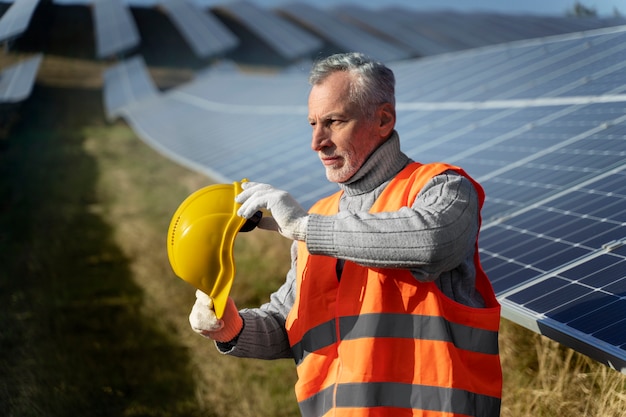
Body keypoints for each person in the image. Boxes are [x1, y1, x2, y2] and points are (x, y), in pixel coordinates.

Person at [189, 52, 503, 417]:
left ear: (383, 119)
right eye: (312, 124)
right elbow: (289, 325)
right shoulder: (321, 217)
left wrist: (304, 228)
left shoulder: (442, 188)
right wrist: (231, 327)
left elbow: (434, 241)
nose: (317, 141)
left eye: (333, 122)